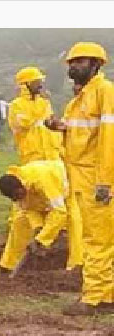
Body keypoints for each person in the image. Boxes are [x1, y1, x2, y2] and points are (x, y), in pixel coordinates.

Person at [51, 41, 114, 315]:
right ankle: (106, 294)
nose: (74, 66)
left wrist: (105, 182)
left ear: (96, 64)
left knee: (96, 238)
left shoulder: (104, 91)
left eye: (80, 61)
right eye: (72, 62)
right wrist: (60, 127)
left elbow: (109, 139)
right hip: (81, 175)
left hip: (95, 177)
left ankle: (94, 297)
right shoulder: (81, 97)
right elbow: (83, 134)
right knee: (97, 235)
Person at [0, 160, 83, 272]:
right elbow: (28, 209)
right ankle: (9, 264)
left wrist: (42, 239)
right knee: (20, 221)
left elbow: (60, 212)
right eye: (15, 198)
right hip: (40, 196)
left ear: (21, 186)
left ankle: (76, 264)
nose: (19, 198)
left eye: (19, 195)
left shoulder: (42, 180)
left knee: (74, 221)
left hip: (66, 190)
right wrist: (38, 227)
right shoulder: (15, 188)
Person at [8, 67, 63, 164]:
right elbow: (25, 123)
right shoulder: (17, 105)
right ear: (26, 84)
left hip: (52, 154)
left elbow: (51, 124)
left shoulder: (44, 102)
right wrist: (43, 103)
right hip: (32, 155)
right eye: (36, 82)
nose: (40, 85)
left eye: (41, 81)